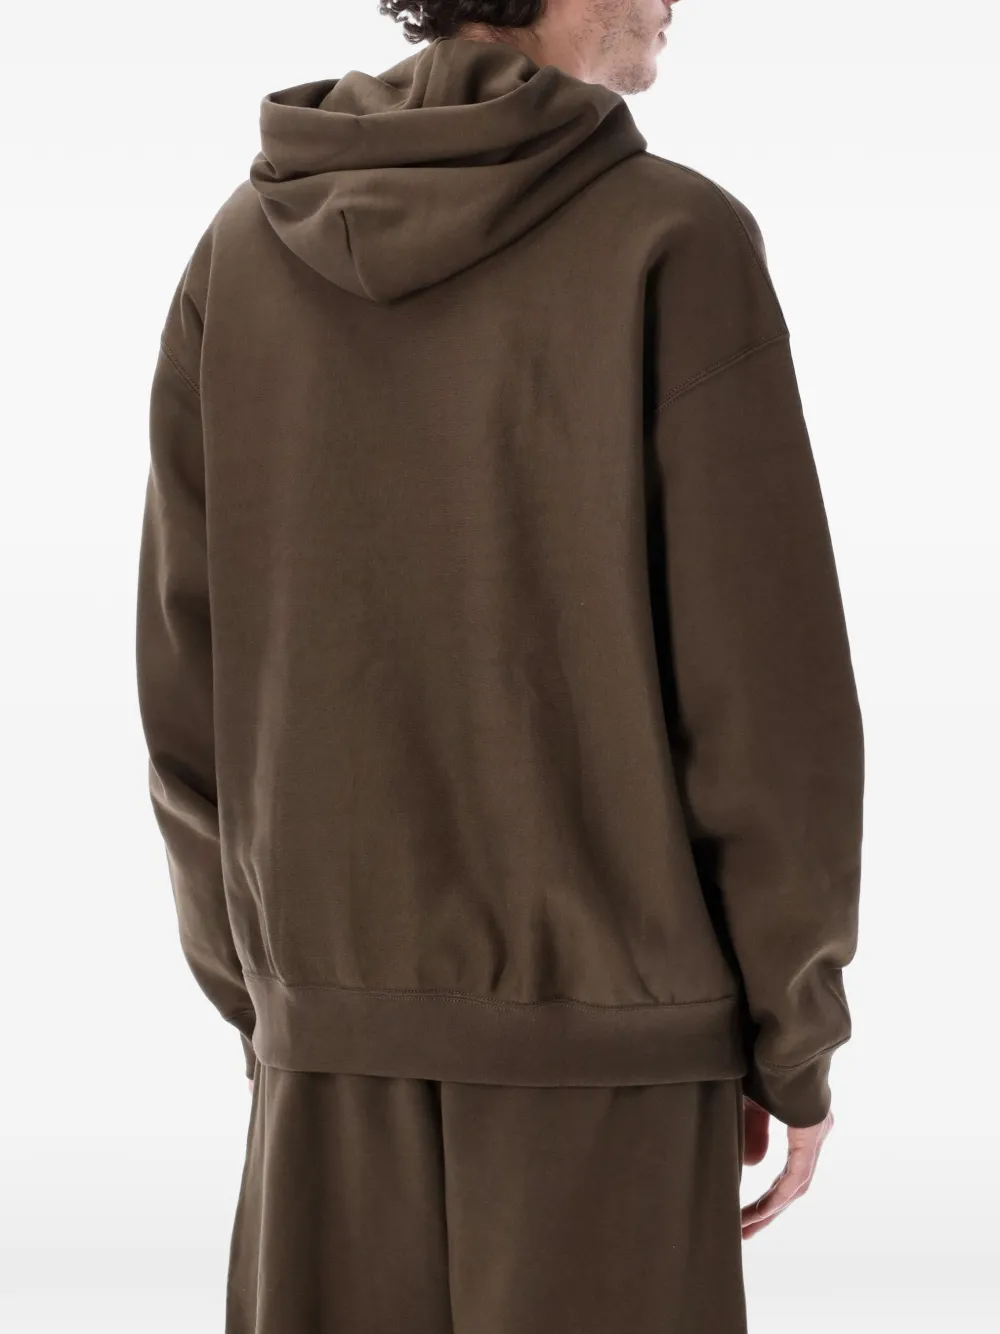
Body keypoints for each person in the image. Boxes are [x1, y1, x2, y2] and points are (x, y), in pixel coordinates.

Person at [134, 1, 865, 1329]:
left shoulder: (239, 254)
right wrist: (793, 1040)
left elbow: (188, 706)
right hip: (614, 1088)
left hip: (323, 1088)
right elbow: (768, 713)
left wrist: (291, 1014)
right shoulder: (676, 242)